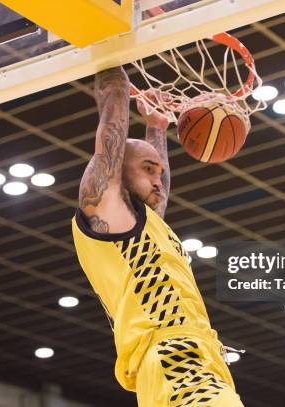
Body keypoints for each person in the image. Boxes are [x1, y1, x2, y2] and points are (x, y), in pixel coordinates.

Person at [72, 66, 244, 407]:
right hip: (175, 357)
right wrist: (114, 59)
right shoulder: (106, 210)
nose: (158, 180)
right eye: (148, 170)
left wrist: (157, 127)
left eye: (159, 172)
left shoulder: (141, 230)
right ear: (118, 172)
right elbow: (110, 140)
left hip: (192, 361)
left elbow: (159, 196)